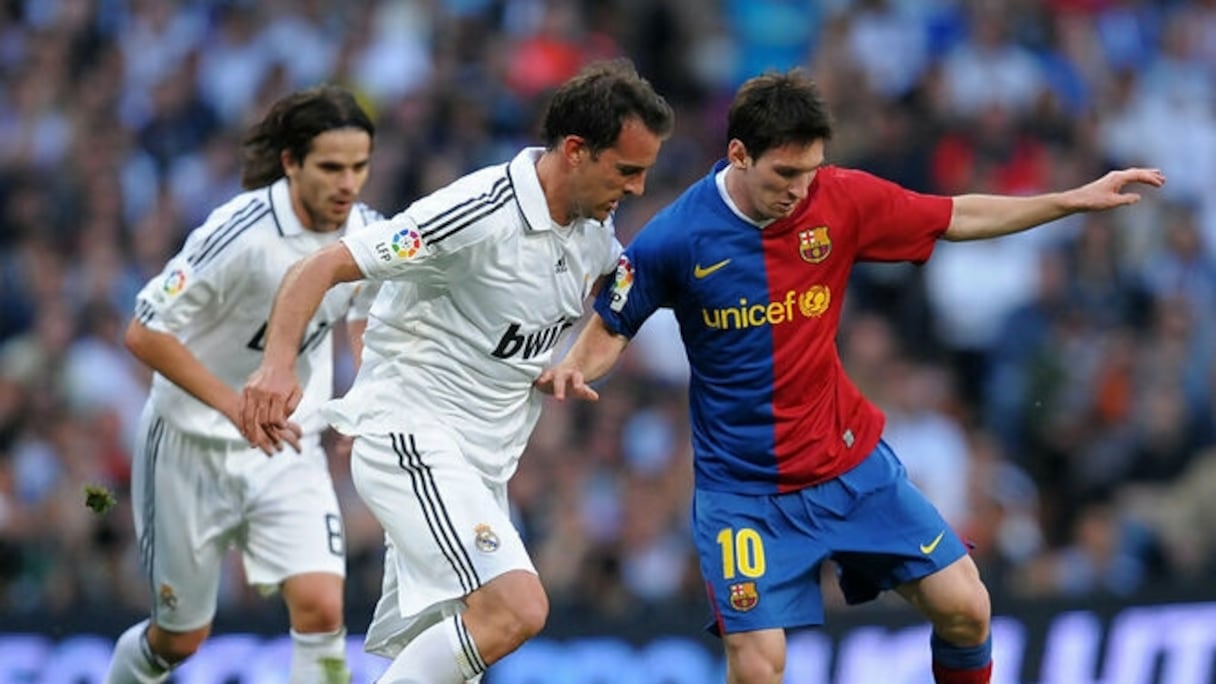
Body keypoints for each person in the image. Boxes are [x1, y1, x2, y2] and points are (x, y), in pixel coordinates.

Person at [536, 69, 1165, 684]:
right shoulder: (676, 237)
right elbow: (612, 325)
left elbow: (956, 216)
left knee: (967, 609)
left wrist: (1071, 200)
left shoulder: (840, 199)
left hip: (847, 466)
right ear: (738, 154)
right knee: (757, 667)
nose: (799, 190)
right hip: (742, 495)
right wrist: (573, 368)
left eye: (809, 172)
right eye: (784, 174)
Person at [238, 59, 674, 683]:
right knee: (517, 608)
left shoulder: (591, 231)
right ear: (576, 151)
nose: (634, 189)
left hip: (481, 469)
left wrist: (570, 363)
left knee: (463, 661)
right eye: (626, 170)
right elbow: (321, 267)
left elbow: (610, 307)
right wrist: (277, 368)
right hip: (413, 438)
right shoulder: (476, 213)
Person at [107, 85, 381, 684]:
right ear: (291, 163)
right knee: (178, 640)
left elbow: (367, 306)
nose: (348, 184)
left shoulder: (366, 230)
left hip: (287, 446)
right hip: (188, 448)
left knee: (323, 606)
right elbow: (142, 332)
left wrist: (367, 399)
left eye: (359, 167)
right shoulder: (238, 232)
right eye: (331, 167)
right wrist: (235, 407)